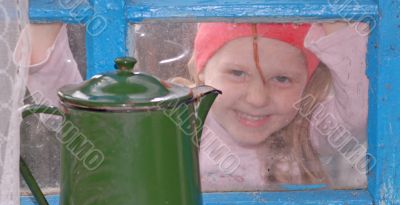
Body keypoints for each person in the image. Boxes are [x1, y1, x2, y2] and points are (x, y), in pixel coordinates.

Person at [15, 21, 369, 192]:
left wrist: (339, 24)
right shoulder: (171, 119)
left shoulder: (302, 130)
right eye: (237, 73)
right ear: (201, 70)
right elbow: (89, 127)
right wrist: (41, 45)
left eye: (282, 80)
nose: (258, 98)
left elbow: (361, 109)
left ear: (306, 84)